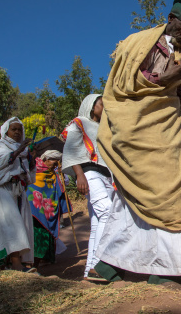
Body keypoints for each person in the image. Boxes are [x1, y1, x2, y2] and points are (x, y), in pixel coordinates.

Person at [93, 0, 181, 290]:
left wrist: (176, 92)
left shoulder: (176, 50)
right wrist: (166, 78)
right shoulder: (142, 42)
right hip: (141, 134)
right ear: (171, 17)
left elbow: (158, 87)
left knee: (137, 200)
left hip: (163, 131)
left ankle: (109, 268)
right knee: (170, 197)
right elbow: (128, 85)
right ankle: (164, 270)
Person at [62, 94, 114, 281]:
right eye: (102, 103)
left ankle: (90, 270)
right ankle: (100, 265)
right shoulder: (79, 123)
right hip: (89, 173)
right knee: (107, 212)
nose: (105, 106)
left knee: (97, 222)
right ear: (92, 106)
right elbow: (71, 148)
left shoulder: (105, 128)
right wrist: (79, 175)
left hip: (106, 176)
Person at [0, 117, 37, 273]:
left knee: (23, 225)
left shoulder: (24, 151)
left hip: (19, 191)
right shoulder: (0, 147)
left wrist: (30, 157)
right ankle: (15, 264)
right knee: (13, 226)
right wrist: (18, 151)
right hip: (2, 190)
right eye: (13, 129)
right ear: (5, 131)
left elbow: (29, 175)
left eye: (19, 129)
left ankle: (13, 263)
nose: (17, 132)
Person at [27, 149, 68, 269]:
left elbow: (59, 187)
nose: (54, 166)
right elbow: (31, 187)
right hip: (35, 210)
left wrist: (61, 174)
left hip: (49, 209)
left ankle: (46, 258)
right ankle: (34, 260)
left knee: (48, 232)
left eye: (57, 164)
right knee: (37, 232)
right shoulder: (33, 169)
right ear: (45, 159)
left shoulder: (54, 173)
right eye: (53, 163)